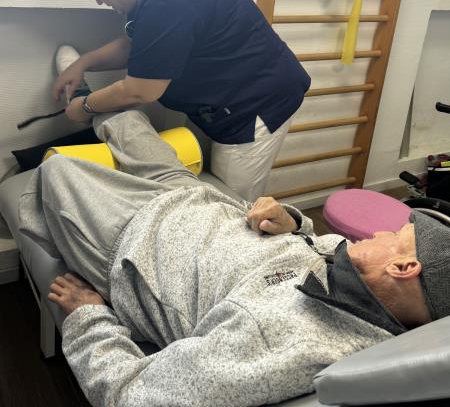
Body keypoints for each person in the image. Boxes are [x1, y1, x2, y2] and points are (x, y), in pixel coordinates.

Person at [18, 110, 450, 407]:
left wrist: (89, 318)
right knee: (130, 123)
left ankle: (81, 112)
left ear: (402, 267)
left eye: (395, 236)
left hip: (134, 240)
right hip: (200, 199)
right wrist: (293, 221)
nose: (379, 233)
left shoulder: (281, 347)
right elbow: (318, 243)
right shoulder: (363, 285)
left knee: (55, 171)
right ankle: (87, 101)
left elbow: (129, 396)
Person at [53, 0, 311, 201]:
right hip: (223, 94)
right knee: (204, 179)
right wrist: (84, 62)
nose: (99, 1)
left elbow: (140, 91)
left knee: (232, 204)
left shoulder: (167, 0)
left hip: (257, 102)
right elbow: (142, 45)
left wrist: (86, 106)